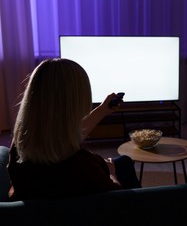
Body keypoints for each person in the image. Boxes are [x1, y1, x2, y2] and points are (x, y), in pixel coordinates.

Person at [7, 58, 140, 201]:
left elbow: (64, 134)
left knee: (124, 161)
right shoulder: (85, 168)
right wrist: (112, 174)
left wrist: (102, 110)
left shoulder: (20, 145)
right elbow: (118, 198)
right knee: (123, 168)